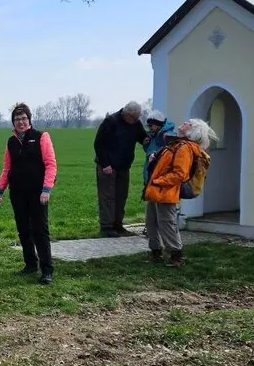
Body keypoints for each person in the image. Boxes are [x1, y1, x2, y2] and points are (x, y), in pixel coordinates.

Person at [0, 103, 58, 284]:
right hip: (18, 192)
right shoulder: (11, 142)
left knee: (40, 230)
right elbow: (7, 168)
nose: (20, 122)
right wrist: (0, 191)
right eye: (17, 119)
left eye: (23, 118)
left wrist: (46, 189)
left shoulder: (41, 137)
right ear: (13, 122)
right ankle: (30, 264)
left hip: (38, 193)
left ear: (29, 120)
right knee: (23, 229)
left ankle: (47, 270)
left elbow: (51, 164)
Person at [143, 118, 217, 267]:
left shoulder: (184, 148)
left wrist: (158, 181)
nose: (184, 123)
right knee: (151, 222)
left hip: (166, 190)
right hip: (157, 190)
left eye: (189, 123)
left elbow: (180, 174)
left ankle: (176, 256)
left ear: (193, 131)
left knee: (167, 223)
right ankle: (156, 253)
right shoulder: (176, 144)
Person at [93, 101, 147, 238]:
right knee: (107, 197)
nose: (135, 121)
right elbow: (98, 143)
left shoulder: (135, 123)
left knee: (121, 196)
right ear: (127, 114)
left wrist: (148, 139)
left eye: (136, 119)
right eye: (133, 118)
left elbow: (142, 137)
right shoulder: (111, 121)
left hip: (124, 166)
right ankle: (106, 227)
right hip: (107, 167)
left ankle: (118, 225)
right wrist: (105, 165)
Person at [140, 109, 176, 186]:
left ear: (157, 124)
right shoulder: (154, 134)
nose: (149, 127)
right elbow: (149, 151)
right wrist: (146, 144)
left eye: (150, 125)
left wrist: (156, 155)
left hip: (160, 177)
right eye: (148, 125)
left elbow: (171, 156)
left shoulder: (168, 136)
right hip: (152, 174)